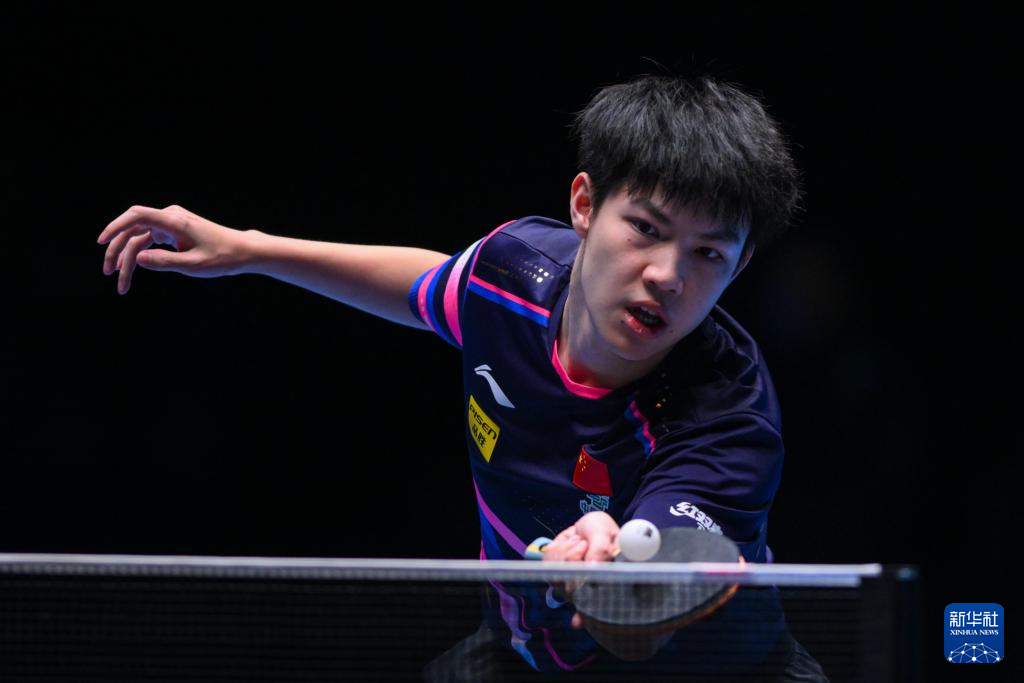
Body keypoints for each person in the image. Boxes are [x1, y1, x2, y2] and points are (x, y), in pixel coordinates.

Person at [98, 75, 823, 680]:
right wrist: (250, 249)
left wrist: (606, 562)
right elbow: (434, 286)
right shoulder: (511, 274)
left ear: (739, 266)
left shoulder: (728, 413)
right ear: (584, 204)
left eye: (708, 254)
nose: (667, 274)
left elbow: (639, 622)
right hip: (523, 651)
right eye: (647, 228)